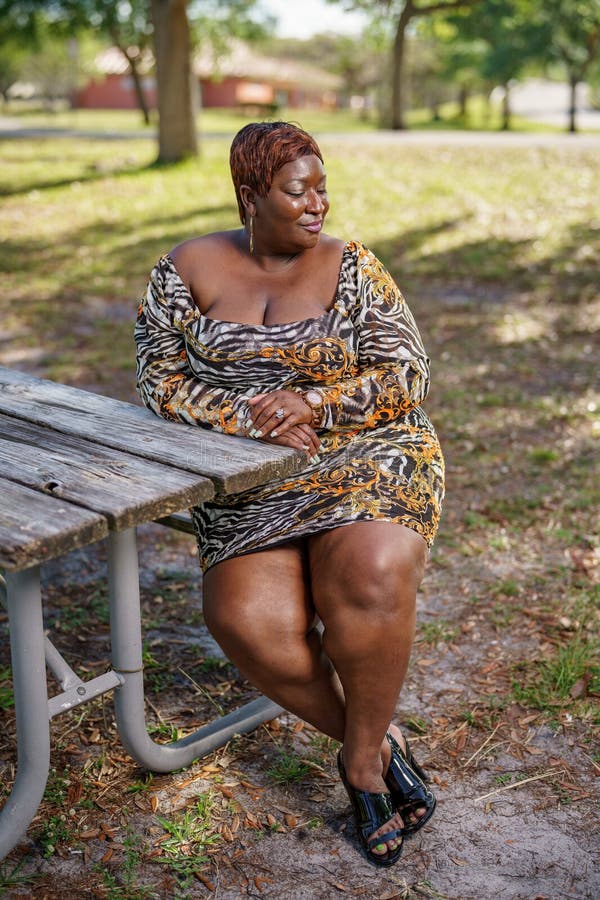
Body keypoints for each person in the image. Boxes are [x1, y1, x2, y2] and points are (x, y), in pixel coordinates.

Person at [134, 121, 444, 867]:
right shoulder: (184, 268)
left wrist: (315, 406)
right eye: (296, 190)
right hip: (249, 477)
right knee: (246, 621)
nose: (318, 204)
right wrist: (246, 417)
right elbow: (157, 380)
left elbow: (409, 375)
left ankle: (362, 767)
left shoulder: (354, 266)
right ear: (250, 194)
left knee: (368, 576)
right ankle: (377, 734)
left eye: (322, 186)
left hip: (369, 454)